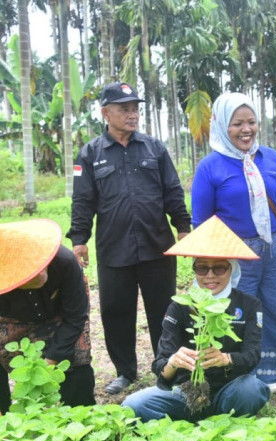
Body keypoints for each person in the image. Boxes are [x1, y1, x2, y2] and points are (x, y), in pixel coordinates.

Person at [191, 92, 276, 388]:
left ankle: (272, 374)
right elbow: (201, 223)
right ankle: (236, 373)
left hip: (274, 247)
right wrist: (209, 266)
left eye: (251, 122)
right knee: (237, 313)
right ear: (222, 125)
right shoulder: (210, 167)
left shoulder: (271, 159)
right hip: (233, 253)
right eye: (237, 123)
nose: (246, 129)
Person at [67, 81, 191, 395]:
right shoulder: (90, 153)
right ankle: (125, 371)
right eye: (124, 109)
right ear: (106, 112)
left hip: (157, 246)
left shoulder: (154, 148)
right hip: (113, 249)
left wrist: (184, 227)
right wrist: (79, 239)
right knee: (116, 312)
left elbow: (172, 191)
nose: (132, 114)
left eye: (135, 108)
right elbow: (83, 200)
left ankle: (168, 367)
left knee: (164, 312)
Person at [123, 216, 270, 421]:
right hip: (185, 392)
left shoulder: (249, 305)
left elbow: (253, 355)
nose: (210, 275)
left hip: (230, 390)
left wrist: (226, 359)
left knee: (252, 389)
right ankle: (198, 420)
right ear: (194, 271)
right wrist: (173, 362)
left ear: (232, 269)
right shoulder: (181, 305)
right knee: (133, 405)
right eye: (202, 268)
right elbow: (161, 365)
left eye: (219, 268)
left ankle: (219, 419)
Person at [0, 219, 95, 414]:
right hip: (10, 318)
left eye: (41, 264)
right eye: (30, 273)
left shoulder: (65, 262)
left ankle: (81, 417)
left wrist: (50, 361)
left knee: (77, 365)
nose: (40, 272)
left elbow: (75, 317)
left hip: (60, 315)